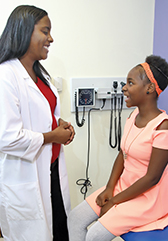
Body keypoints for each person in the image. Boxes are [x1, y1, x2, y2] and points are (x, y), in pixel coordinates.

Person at [0, 5, 75, 241]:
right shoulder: (3, 76)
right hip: (23, 177)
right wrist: (52, 136)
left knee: (60, 232)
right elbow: (5, 138)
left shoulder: (41, 74)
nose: (51, 38)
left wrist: (59, 125)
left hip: (52, 173)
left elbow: (39, 112)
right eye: (45, 31)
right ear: (25, 31)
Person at [68, 55, 168, 241]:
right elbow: (123, 154)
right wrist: (109, 188)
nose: (124, 87)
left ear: (150, 88)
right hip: (123, 187)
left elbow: (152, 178)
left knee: (94, 235)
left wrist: (114, 201)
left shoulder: (163, 127)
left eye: (130, 83)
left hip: (147, 198)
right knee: (75, 219)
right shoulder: (133, 115)